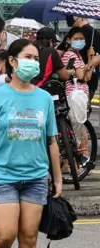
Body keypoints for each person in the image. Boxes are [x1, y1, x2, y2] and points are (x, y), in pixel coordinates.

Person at [0, 39, 63, 248]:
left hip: (36, 176)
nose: (33, 62)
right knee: (5, 235)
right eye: (27, 57)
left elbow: (51, 140)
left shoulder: (44, 99)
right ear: (12, 61)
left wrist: (58, 178)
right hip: (3, 175)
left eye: (35, 59)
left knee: (29, 237)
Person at [60, 27, 93, 167]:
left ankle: (72, 164)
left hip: (80, 95)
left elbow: (88, 77)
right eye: (76, 38)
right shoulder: (70, 55)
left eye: (82, 39)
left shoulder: (79, 55)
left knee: (78, 128)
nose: (79, 41)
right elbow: (81, 77)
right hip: (74, 95)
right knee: (76, 129)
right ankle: (73, 163)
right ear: (69, 40)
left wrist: (89, 59)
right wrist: (88, 64)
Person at [64, 16, 100, 100]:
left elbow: (84, 77)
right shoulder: (74, 32)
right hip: (74, 86)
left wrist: (90, 61)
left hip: (83, 85)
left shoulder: (92, 33)